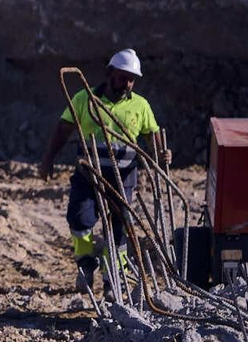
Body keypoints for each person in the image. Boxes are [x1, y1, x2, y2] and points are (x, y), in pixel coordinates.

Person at [38, 48, 168, 292]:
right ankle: (86, 264)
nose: (127, 84)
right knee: (79, 219)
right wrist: (48, 158)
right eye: (122, 78)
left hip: (123, 179)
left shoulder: (140, 105)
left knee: (120, 229)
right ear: (109, 74)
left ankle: (114, 279)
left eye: (131, 79)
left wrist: (160, 155)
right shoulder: (84, 99)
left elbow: (152, 134)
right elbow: (63, 129)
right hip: (88, 176)